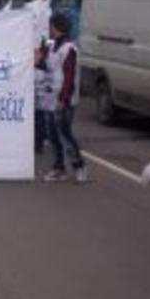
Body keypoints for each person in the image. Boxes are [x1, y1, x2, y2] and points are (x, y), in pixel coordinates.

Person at [43, 14, 87, 183]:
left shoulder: (69, 48)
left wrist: (63, 98)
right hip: (50, 98)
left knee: (65, 134)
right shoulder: (53, 46)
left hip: (63, 100)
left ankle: (79, 166)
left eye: (50, 26)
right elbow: (48, 67)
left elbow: (69, 76)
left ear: (55, 26)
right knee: (53, 136)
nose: (49, 29)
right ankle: (58, 168)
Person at [34, 39, 50, 154]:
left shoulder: (42, 67)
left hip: (39, 97)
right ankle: (39, 142)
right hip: (38, 96)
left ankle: (39, 143)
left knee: (39, 118)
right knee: (38, 118)